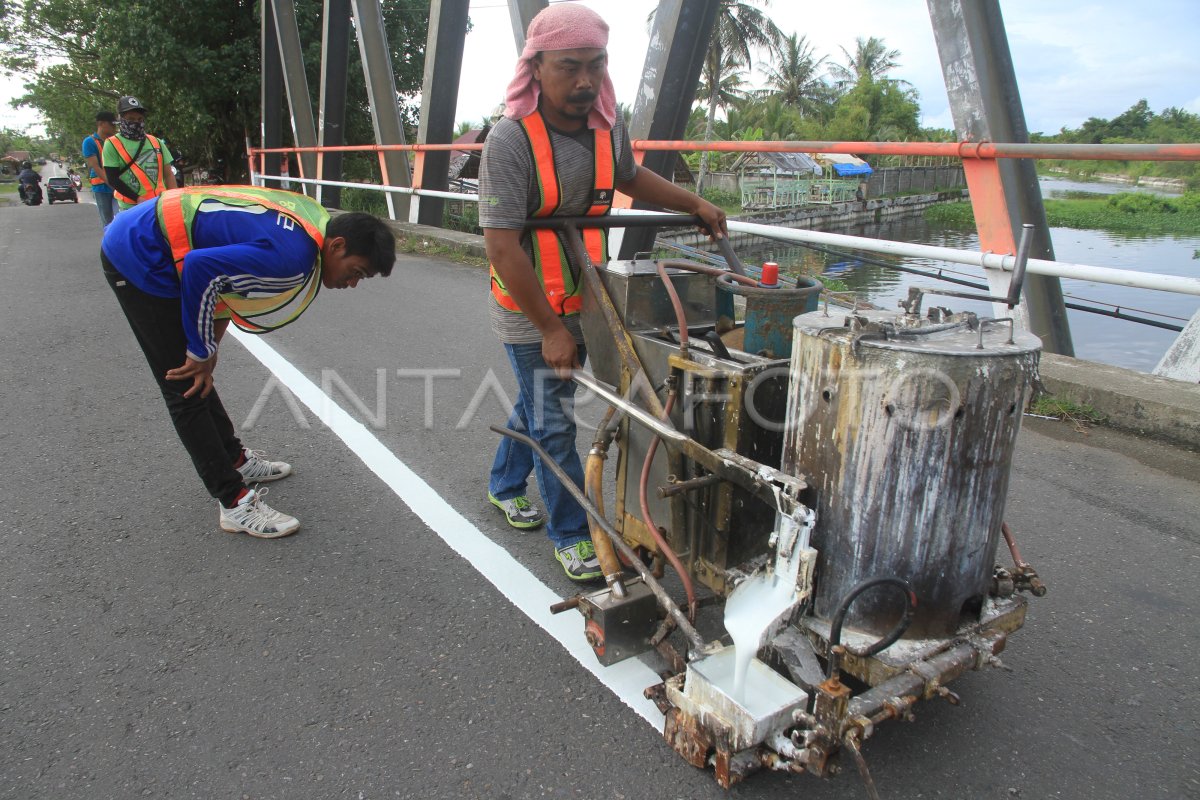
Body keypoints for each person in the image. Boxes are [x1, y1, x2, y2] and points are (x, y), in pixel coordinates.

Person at [479, 3, 727, 581]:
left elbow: (630, 176)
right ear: (535, 67)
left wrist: (693, 202)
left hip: (585, 299)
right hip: (530, 308)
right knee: (556, 420)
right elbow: (502, 247)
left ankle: (503, 482)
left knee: (538, 404)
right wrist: (549, 330)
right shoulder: (509, 142)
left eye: (596, 65)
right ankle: (573, 534)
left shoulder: (605, 127)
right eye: (570, 66)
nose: (586, 81)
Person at [101, 186, 396, 538]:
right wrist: (199, 351)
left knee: (198, 372)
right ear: (337, 246)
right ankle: (233, 502)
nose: (352, 284)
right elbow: (200, 269)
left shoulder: (313, 231)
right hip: (139, 252)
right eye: (357, 272)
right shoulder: (290, 259)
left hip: (159, 240)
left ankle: (234, 459)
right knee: (184, 385)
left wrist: (208, 349)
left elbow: (227, 289)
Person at [102, 95, 178, 210]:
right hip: (131, 208)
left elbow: (168, 174)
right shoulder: (112, 144)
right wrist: (137, 198)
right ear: (121, 119)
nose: (136, 123)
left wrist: (174, 200)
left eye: (140, 119)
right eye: (131, 119)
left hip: (159, 205)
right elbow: (112, 178)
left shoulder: (156, 142)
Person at [83, 110, 120, 227]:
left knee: (120, 218)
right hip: (101, 188)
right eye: (112, 124)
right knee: (107, 221)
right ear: (102, 124)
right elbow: (96, 167)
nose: (114, 128)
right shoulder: (89, 142)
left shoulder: (116, 141)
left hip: (117, 186)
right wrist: (112, 184)